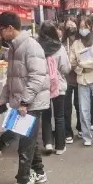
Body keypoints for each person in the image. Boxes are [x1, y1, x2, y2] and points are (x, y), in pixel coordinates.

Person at [0, 12, 50, 184]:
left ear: (10, 28)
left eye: (0, 30)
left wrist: (25, 102)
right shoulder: (13, 48)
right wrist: (3, 100)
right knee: (29, 140)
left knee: (25, 145)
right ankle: (39, 172)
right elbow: (11, 79)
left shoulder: (30, 46)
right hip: (23, 103)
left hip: (31, 103)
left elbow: (37, 77)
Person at [69, 15, 93, 147]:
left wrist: (82, 64)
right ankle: (86, 136)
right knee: (83, 111)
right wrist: (81, 66)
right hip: (82, 80)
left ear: (90, 27)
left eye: (85, 27)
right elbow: (72, 62)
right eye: (80, 27)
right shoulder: (76, 43)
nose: (83, 29)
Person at [38, 21, 71, 155]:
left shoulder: (37, 47)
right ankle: (60, 147)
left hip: (42, 86)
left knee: (46, 115)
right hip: (58, 86)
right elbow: (66, 68)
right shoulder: (60, 48)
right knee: (59, 116)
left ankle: (48, 143)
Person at [62, 24, 80, 143]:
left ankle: (80, 127)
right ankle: (68, 132)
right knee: (66, 107)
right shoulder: (62, 45)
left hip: (79, 77)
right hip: (66, 79)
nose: (72, 38)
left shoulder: (80, 43)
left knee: (79, 105)